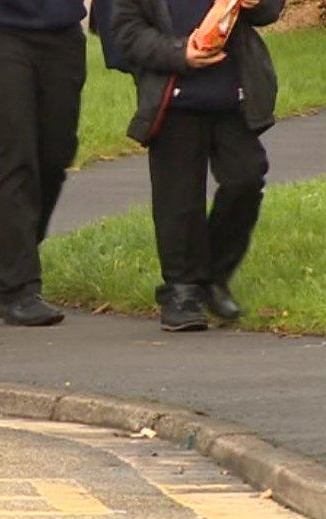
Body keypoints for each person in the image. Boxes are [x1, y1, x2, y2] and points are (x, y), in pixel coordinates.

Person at [112, 0, 283, 331]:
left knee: (245, 177)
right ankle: (181, 291)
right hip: (173, 100)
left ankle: (213, 277)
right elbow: (126, 34)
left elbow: (268, 13)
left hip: (231, 97)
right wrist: (180, 53)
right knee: (178, 200)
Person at [0, 0, 88, 327]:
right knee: (13, 155)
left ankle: (15, 259)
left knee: (56, 155)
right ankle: (17, 285)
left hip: (61, 31)